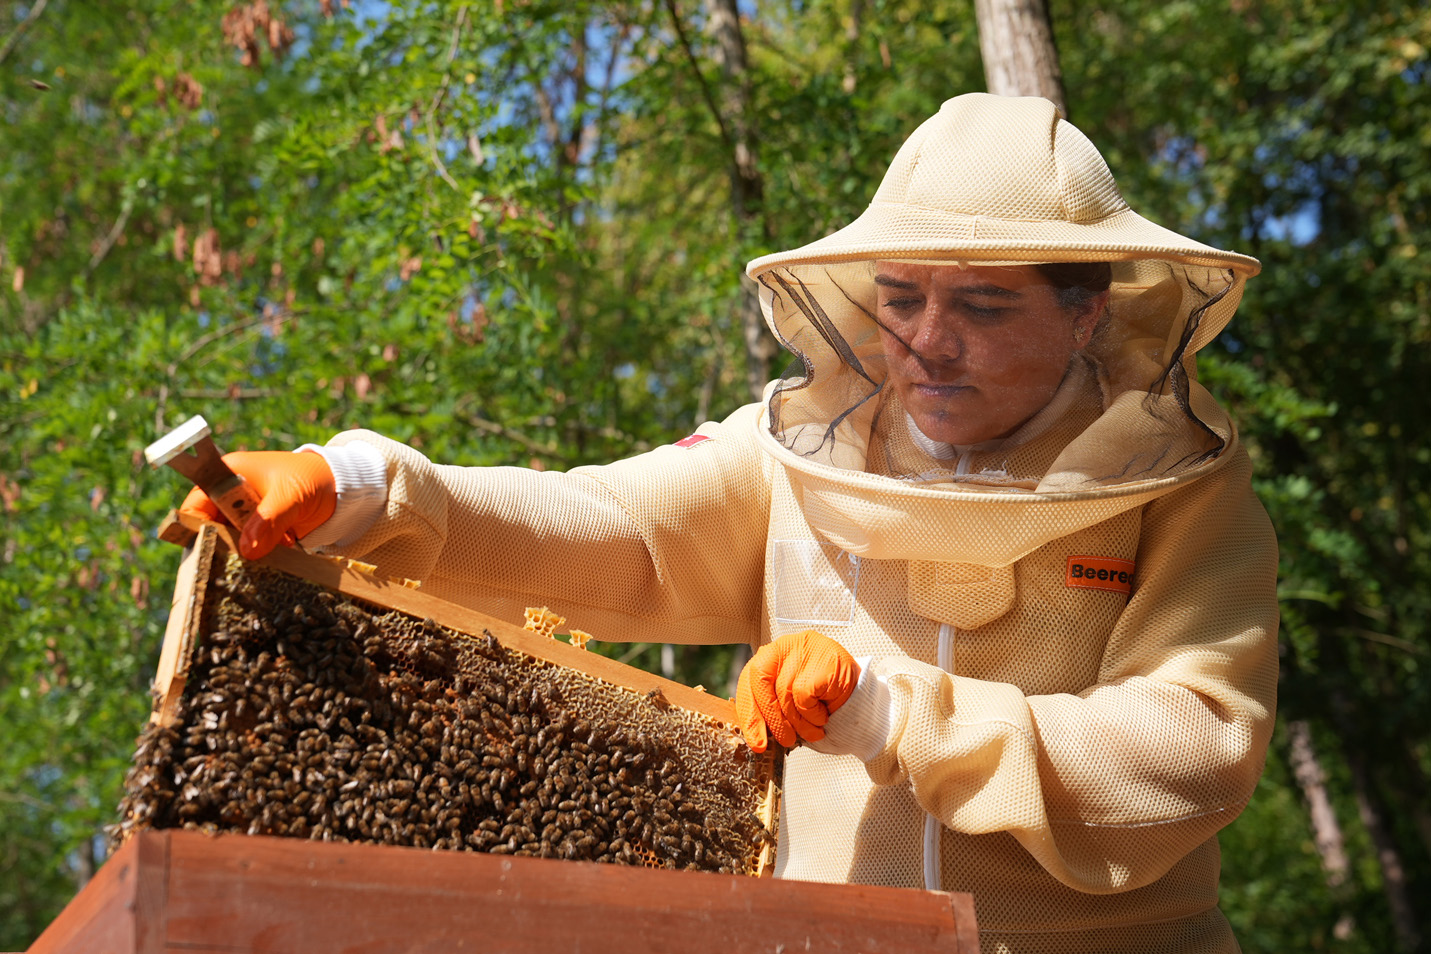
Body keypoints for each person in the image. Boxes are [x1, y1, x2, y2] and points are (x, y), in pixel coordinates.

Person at [181, 93, 1278, 953]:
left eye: (983, 305)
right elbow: (618, 528)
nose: (928, 342)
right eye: (901, 299)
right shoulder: (801, 449)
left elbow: (1195, 743)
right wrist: (364, 485)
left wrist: (891, 713)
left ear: (1087, 312)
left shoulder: (1178, 486)